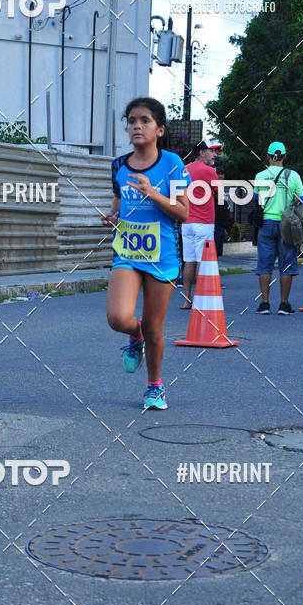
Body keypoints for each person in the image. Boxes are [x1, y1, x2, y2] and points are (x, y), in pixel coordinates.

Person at [103, 97, 189, 410]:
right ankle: (133, 335)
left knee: (156, 327)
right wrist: (112, 215)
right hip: (126, 252)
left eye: (145, 121)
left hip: (162, 255)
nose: (137, 126)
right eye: (131, 121)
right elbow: (118, 198)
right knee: (117, 317)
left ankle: (154, 386)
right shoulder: (119, 165)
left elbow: (183, 212)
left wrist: (152, 192)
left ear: (160, 129)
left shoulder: (172, 165)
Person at [253, 141, 303, 315]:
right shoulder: (293, 176)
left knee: (265, 264)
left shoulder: (261, 175)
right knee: (286, 265)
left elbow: (256, 196)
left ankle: (264, 304)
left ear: (268, 156)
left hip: (266, 223)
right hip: (287, 224)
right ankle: (284, 304)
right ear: (284, 156)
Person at [180, 141, 219, 309]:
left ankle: (187, 299)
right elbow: (218, 194)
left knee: (188, 261)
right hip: (204, 222)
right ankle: (199, 300)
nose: (214, 155)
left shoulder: (184, 169)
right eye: (211, 152)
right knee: (202, 261)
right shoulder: (210, 171)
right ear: (202, 153)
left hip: (186, 221)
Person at [212, 155, 231, 257]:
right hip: (215, 221)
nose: (221, 176)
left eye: (222, 174)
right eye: (218, 174)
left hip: (222, 222)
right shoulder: (212, 186)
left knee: (219, 248)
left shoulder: (222, 186)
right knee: (216, 247)